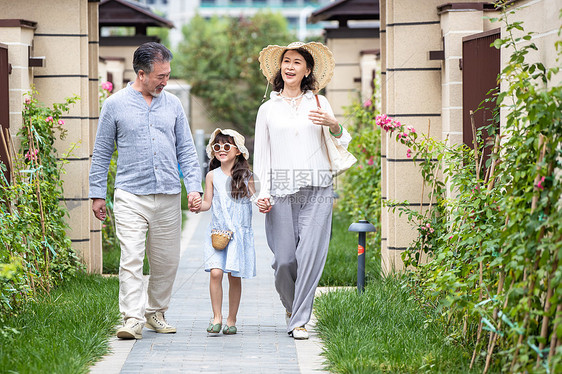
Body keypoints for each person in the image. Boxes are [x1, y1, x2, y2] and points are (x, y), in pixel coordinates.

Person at [89, 42, 203, 340]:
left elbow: (187, 151)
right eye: (160, 76)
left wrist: (193, 188)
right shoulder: (115, 104)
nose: (165, 81)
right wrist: (97, 193)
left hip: (167, 195)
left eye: (167, 74)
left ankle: (155, 312)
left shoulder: (173, 104)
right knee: (131, 258)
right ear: (141, 73)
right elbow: (101, 153)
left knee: (166, 262)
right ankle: (132, 318)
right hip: (130, 195)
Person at [254, 42, 352, 340]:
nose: (291, 66)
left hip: (318, 188)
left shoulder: (319, 104)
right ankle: (292, 305)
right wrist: (262, 191)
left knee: (310, 254)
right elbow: (262, 154)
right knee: (284, 260)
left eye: (297, 62)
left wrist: (334, 124)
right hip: (281, 191)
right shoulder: (267, 109)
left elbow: (342, 139)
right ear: (279, 68)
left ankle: (299, 320)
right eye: (286, 61)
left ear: (307, 70)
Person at [195, 128, 257, 335]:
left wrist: (265, 202)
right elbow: (207, 204)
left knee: (233, 275)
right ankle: (217, 317)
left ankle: (231, 319)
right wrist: (196, 205)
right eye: (217, 146)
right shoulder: (212, 175)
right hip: (218, 233)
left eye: (227, 146)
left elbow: (255, 198)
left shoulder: (246, 175)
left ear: (238, 151)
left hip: (238, 235)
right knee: (215, 273)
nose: (221, 150)